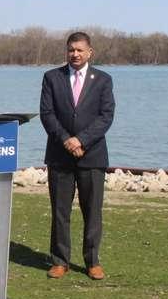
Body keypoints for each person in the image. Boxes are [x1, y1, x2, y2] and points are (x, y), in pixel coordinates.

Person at [39, 31, 115, 280]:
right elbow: (47, 114)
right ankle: (60, 260)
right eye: (71, 49)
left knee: (92, 211)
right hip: (60, 156)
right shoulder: (52, 78)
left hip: (92, 155)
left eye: (80, 50)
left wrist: (81, 140)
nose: (75, 54)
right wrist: (66, 140)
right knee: (60, 211)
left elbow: (106, 116)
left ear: (90, 52)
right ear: (66, 51)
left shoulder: (103, 80)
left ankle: (92, 261)